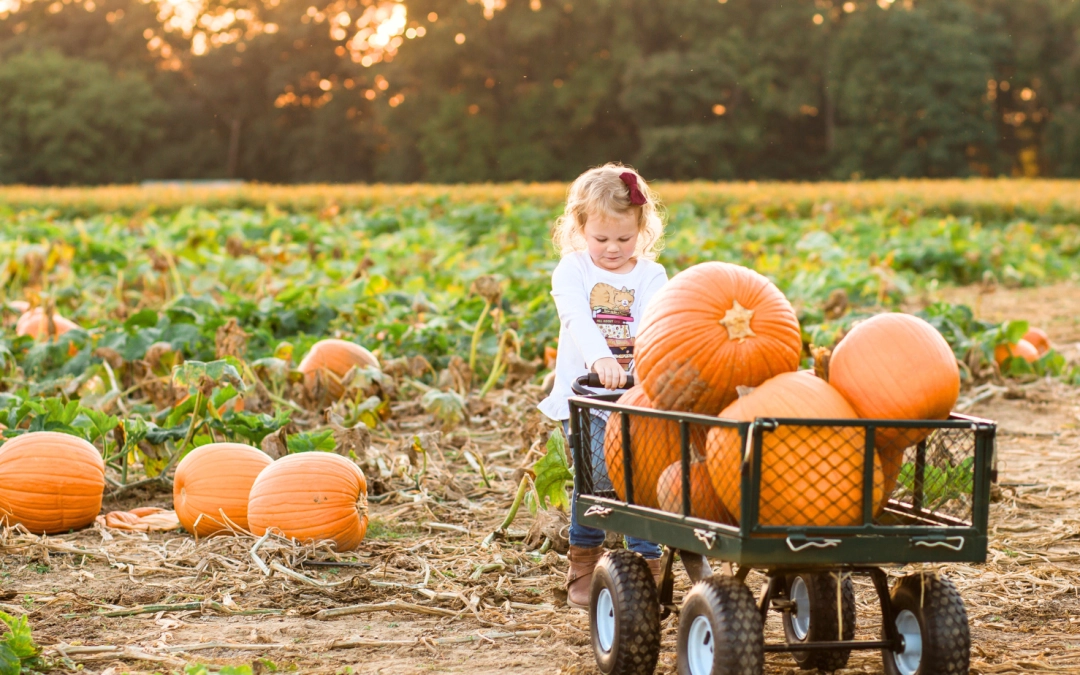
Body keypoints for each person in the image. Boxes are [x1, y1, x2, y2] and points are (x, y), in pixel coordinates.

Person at [537, 163, 667, 609]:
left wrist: (643, 365)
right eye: (601, 239)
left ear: (641, 230)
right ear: (580, 229)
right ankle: (585, 559)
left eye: (624, 239)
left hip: (637, 397)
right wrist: (601, 360)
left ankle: (648, 560)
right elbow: (576, 318)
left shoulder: (652, 276)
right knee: (594, 479)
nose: (613, 249)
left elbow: (657, 325)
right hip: (588, 396)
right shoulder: (572, 271)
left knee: (642, 478)